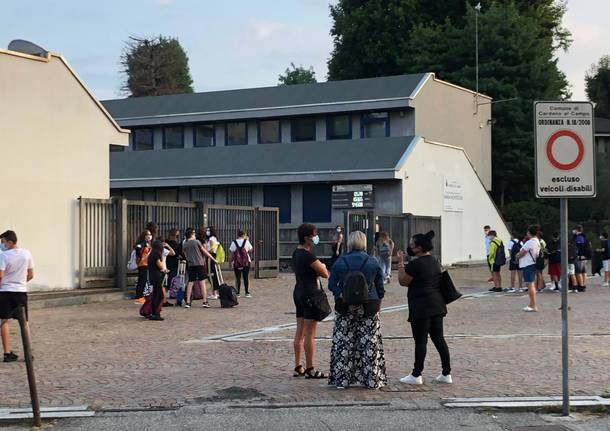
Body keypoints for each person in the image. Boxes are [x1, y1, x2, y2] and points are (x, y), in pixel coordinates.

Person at [327, 231, 387, 390]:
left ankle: (342, 380)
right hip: (369, 306)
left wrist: (343, 295)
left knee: (344, 344)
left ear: (350, 243)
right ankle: (372, 380)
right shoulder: (372, 262)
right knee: (369, 344)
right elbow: (380, 289)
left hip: (345, 307)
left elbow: (331, 284)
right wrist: (378, 307)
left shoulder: (340, 262)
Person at [397, 230, 452, 385]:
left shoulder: (415, 264)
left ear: (419, 248)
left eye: (412, 246)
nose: (410, 248)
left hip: (421, 306)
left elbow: (403, 281)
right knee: (439, 339)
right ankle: (446, 373)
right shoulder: (435, 261)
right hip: (437, 305)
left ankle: (416, 374)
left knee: (421, 341)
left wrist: (400, 262)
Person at [291, 223, 329, 379]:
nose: (316, 237)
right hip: (310, 294)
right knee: (310, 333)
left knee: (299, 331)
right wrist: (323, 266)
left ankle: (298, 365)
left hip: (299, 292)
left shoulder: (296, 253)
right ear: (307, 238)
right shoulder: (308, 256)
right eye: (314, 235)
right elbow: (325, 273)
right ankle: (310, 368)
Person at [0, 230, 34, 363]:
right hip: (21, 291)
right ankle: (28, 352)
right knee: (24, 322)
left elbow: (1, 275)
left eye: (2, 242)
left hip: (5, 291)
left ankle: (7, 353)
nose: (1, 245)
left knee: (4, 321)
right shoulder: (26, 253)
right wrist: (20, 282)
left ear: (9, 242)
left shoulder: (3, 256)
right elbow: (31, 274)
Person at [182, 228, 216, 308]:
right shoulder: (197, 242)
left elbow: (185, 255)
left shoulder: (185, 244)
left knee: (190, 283)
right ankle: (205, 301)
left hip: (191, 265)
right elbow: (205, 252)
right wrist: (213, 259)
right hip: (200, 264)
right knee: (202, 283)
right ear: (192, 234)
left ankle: (188, 302)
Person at [516, 225, 541, 312]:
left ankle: (533, 305)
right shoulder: (537, 241)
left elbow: (522, 253)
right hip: (532, 264)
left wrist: (517, 256)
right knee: (531, 284)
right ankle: (531, 304)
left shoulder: (530, 242)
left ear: (529, 232)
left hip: (528, 265)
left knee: (530, 285)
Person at [146, 240, 169, 321]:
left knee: (156, 294)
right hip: (157, 277)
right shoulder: (156, 255)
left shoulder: (151, 254)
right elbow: (161, 266)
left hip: (152, 276)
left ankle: (153, 313)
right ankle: (156, 313)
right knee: (159, 296)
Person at [229, 230, 253, 297]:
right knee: (246, 277)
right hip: (246, 262)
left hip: (236, 262)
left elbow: (231, 252)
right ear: (243, 235)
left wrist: (230, 262)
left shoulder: (234, 242)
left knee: (238, 277)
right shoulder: (246, 241)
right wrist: (247, 240)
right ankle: (247, 293)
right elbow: (251, 249)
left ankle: (238, 293)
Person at [133, 230, 152, 304]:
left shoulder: (148, 244)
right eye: (148, 234)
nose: (149, 236)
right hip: (142, 264)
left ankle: (139, 296)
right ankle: (139, 297)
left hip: (146, 264)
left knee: (143, 281)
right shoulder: (141, 244)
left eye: (150, 234)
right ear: (144, 236)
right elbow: (138, 251)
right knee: (142, 281)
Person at [164, 229, 182, 305]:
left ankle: (166, 294)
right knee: (173, 279)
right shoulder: (175, 243)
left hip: (166, 262)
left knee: (167, 279)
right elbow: (176, 253)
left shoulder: (166, 242)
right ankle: (173, 293)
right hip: (174, 263)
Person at [204, 227, 221, 300]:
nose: (207, 232)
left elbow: (212, 249)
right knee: (213, 274)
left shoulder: (211, 239)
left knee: (211, 274)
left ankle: (215, 293)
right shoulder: (213, 238)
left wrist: (205, 251)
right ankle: (215, 292)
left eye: (208, 230)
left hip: (211, 257)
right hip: (213, 257)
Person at [573, 225, 590, 292]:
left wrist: (578, 255)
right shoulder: (584, 236)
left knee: (578, 272)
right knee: (584, 271)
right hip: (585, 256)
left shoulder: (578, 237)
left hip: (580, 256)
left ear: (577, 230)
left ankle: (581, 285)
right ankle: (584, 284)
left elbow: (579, 247)